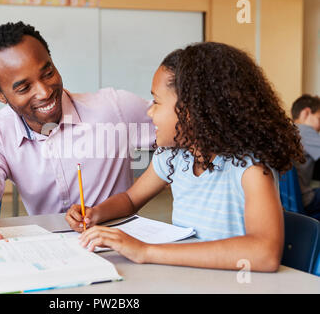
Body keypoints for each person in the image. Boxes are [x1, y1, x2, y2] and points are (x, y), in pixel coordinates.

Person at [66, 42, 305, 272]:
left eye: (156, 102)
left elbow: (264, 253)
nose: (149, 112)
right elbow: (130, 199)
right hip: (189, 277)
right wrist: (96, 213)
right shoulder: (174, 157)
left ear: (191, 111)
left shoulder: (250, 169)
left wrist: (147, 251)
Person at [0, 21, 154, 242]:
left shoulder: (113, 108)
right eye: (24, 88)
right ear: (0, 96)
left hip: (121, 248)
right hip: (51, 253)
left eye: (48, 73)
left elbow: (181, 126)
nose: (44, 92)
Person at [291, 94, 320, 215]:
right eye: (319, 119)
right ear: (306, 113)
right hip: (306, 200)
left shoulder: (289, 129)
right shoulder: (304, 130)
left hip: (290, 200)